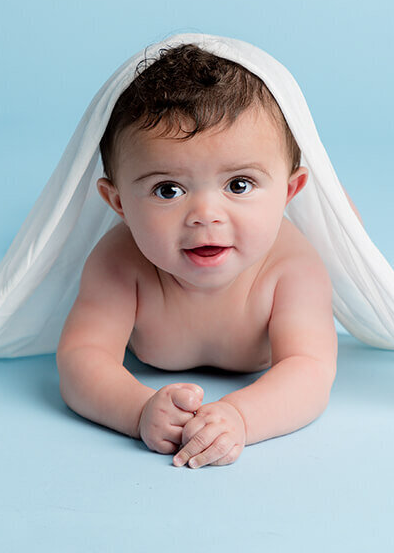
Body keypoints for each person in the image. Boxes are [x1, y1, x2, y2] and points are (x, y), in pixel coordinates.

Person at [56, 43, 363, 469]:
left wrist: (241, 416)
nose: (205, 217)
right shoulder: (119, 264)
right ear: (119, 202)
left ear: (289, 192)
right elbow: (81, 357)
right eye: (168, 190)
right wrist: (138, 410)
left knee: (349, 228)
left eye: (239, 184)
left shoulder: (292, 269)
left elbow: (310, 369)